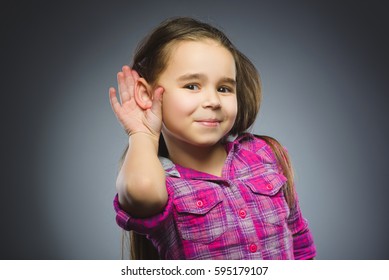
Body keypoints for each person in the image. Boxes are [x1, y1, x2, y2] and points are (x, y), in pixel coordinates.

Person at [109, 17, 316, 260]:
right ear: (146, 93)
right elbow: (141, 189)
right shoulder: (160, 183)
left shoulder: (264, 153)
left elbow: (299, 241)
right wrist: (142, 133)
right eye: (192, 86)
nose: (214, 101)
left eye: (224, 88)